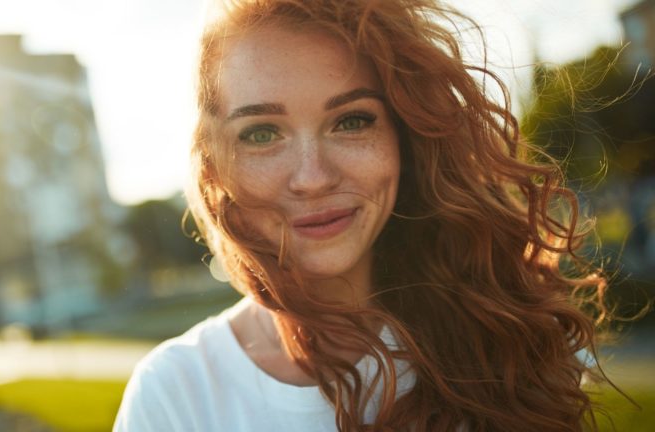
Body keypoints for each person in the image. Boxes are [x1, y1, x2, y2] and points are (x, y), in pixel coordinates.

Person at [114, 0, 610, 430]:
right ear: (215, 166)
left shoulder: (509, 335)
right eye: (262, 133)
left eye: (351, 121)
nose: (312, 177)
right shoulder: (175, 397)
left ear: (405, 138)